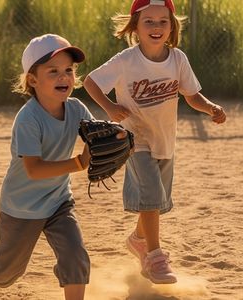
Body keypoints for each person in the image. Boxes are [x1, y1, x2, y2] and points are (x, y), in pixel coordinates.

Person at [83, 0, 227, 284]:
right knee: (150, 191)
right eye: (148, 21)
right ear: (135, 26)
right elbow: (90, 81)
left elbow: (191, 95)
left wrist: (210, 107)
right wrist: (110, 108)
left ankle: (139, 239)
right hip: (134, 139)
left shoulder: (178, 59)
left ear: (172, 25)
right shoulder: (126, 60)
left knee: (156, 201)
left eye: (163, 21)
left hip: (165, 140)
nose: (156, 26)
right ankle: (154, 257)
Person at [0, 34, 94, 300]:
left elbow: (95, 137)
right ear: (32, 80)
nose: (64, 77)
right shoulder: (28, 118)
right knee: (6, 273)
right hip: (22, 206)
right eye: (53, 71)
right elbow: (33, 169)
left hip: (59, 201)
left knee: (75, 256)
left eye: (69, 70)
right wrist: (79, 163)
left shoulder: (78, 109)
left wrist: (112, 139)